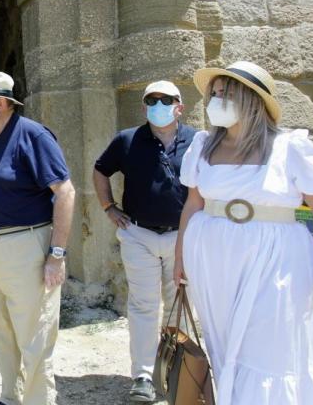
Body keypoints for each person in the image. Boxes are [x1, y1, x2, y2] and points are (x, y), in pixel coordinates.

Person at [174, 61, 313, 405]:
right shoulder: (202, 145)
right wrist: (180, 261)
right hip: (213, 264)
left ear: (252, 100)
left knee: (270, 355)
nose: (216, 100)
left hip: (277, 262)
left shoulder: (291, 148)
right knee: (227, 347)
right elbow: (192, 205)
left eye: (225, 94)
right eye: (214, 93)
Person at [0, 71, 75, 405]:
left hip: (24, 246)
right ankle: (11, 396)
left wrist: (57, 254)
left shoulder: (32, 136)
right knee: (0, 330)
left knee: (34, 333)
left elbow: (65, 192)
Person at [93, 80, 197, 402]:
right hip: (139, 235)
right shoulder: (127, 140)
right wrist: (109, 208)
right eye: (151, 100)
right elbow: (100, 170)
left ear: (180, 106)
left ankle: (175, 371)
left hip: (182, 236)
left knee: (178, 304)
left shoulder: (197, 141)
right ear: (144, 107)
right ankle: (142, 375)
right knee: (143, 305)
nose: (158, 105)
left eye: (165, 100)